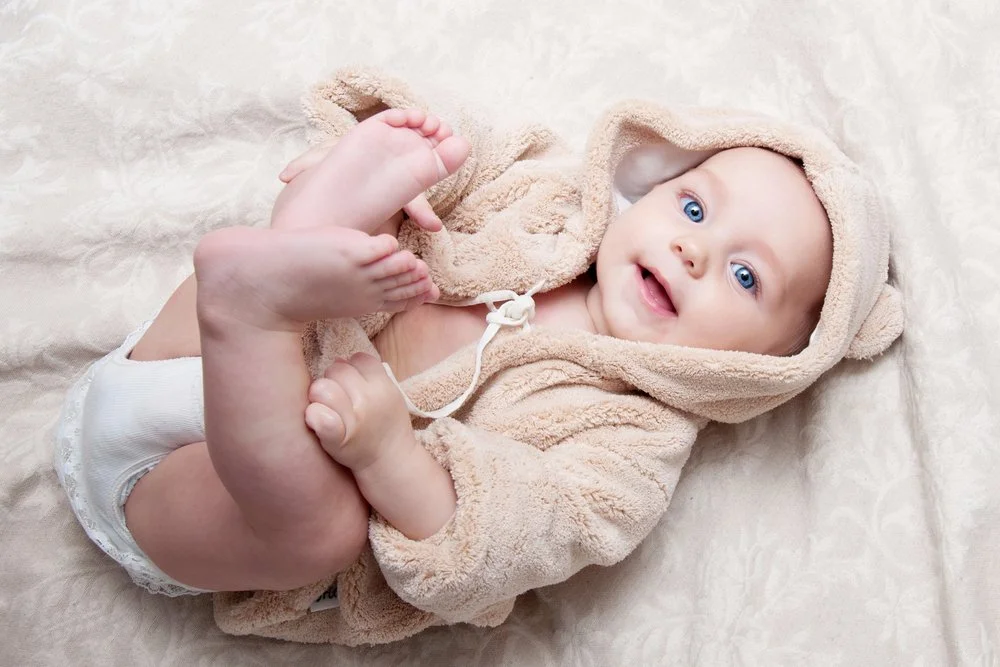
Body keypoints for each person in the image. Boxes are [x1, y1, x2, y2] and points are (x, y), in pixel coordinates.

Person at [55, 95, 897, 644]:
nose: (693, 247)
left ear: (769, 365)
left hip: (188, 500)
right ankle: (301, 245)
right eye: (693, 204)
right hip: (175, 360)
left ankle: (261, 297)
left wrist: (391, 454)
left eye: (747, 277)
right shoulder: (549, 206)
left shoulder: (630, 444)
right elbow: (480, 156)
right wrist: (420, 160)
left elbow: (513, 536)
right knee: (362, 231)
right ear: (657, 182)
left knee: (326, 529)